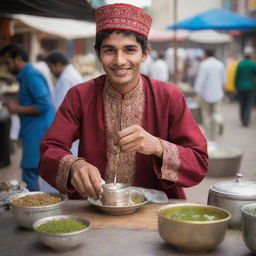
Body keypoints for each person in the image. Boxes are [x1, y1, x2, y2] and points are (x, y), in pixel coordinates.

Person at [40, 3, 208, 200]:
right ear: (98, 55)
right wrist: (75, 165)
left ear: (144, 53)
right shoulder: (79, 95)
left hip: (154, 212)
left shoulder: (169, 96)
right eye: (110, 50)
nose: (119, 60)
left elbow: (199, 161)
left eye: (129, 50)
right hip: (94, 209)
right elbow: (49, 150)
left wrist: (158, 146)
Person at [0, 44, 54, 191]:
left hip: (37, 132)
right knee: (31, 171)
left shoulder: (30, 76)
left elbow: (43, 105)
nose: (6, 66)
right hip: (32, 130)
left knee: (29, 172)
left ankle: (35, 209)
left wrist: (17, 108)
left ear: (18, 59)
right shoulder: (25, 76)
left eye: (7, 62)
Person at [194, 49, 226, 141]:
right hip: (218, 94)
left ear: (206, 54)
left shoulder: (204, 64)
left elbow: (200, 80)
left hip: (205, 94)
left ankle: (208, 137)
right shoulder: (220, 64)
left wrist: (197, 91)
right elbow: (224, 80)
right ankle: (215, 132)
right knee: (216, 113)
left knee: (206, 115)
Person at [235, 46, 256, 127]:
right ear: (251, 55)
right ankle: (246, 121)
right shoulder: (253, 63)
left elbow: (236, 77)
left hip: (240, 87)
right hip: (250, 87)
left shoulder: (240, 64)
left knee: (242, 104)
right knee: (249, 104)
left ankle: (243, 119)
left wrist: (236, 86)